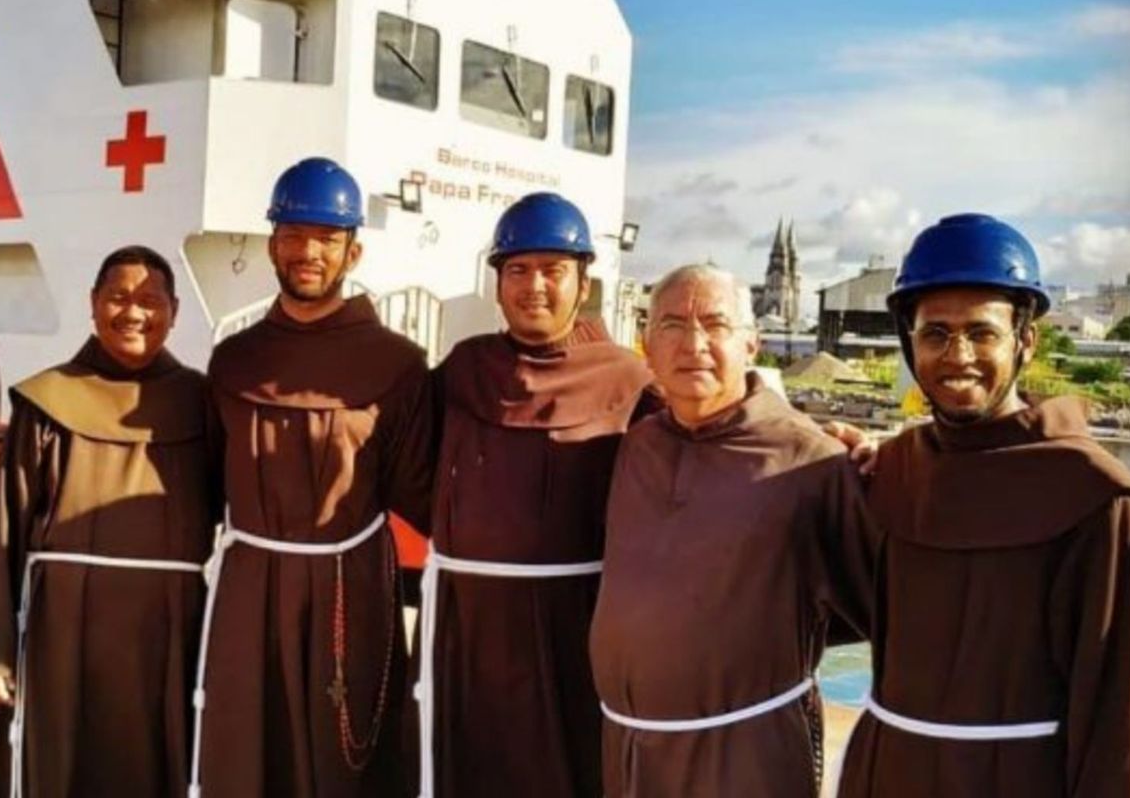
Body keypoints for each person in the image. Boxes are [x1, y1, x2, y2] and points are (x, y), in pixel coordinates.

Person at [836, 213, 1130, 797]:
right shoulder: (892, 473)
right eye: (935, 334)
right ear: (910, 343)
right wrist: (813, 464)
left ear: (1025, 341)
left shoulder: (1101, 502)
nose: (957, 355)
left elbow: (1127, 724)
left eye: (981, 332)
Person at [193, 157, 434, 797]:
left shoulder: (399, 365)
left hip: (349, 589)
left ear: (353, 252)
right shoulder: (233, 360)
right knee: (250, 753)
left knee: (347, 763)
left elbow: (430, 494)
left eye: (326, 238)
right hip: (250, 590)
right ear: (272, 244)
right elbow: (200, 488)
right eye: (294, 235)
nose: (308, 252)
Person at [589, 263, 875, 797]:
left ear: (751, 344)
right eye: (672, 324)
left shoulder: (811, 458)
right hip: (627, 751)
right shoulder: (638, 445)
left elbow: (883, 607)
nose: (693, 344)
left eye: (715, 324)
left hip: (743, 755)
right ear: (648, 346)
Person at [0, 245, 217, 797]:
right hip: (60, 631)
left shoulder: (202, 403)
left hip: (168, 632)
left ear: (174, 311)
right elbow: (4, 524)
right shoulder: (46, 401)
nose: (133, 312)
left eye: (150, 300)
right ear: (93, 303)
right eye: (118, 297)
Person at [415, 192, 650, 797]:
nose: (534, 286)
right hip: (465, 626)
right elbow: (405, 458)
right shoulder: (464, 368)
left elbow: (703, 446)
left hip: (569, 629)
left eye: (553, 270)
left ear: (583, 283)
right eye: (517, 269)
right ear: (497, 283)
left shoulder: (629, 380)